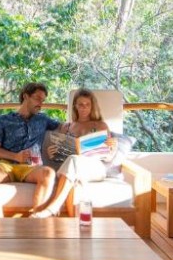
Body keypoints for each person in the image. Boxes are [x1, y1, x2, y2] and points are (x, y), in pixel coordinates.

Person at [31, 88, 118, 218]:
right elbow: (58, 156)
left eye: (87, 104)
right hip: (72, 169)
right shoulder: (67, 127)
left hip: (94, 168)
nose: (84, 108)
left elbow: (108, 157)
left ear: (92, 106)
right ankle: (69, 221)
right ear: (75, 106)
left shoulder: (100, 125)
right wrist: (51, 153)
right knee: (73, 166)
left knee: (74, 160)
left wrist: (113, 147)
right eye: (80, 104)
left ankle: (53, 208)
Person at [0, 82, 60, 218]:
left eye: (43, 100)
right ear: (25, 96)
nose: (40, 104)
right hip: (6, 165)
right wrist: (16, 156)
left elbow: (66, 127)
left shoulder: (43, 119)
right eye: (37, 98)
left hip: (31, 167)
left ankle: (36, 219)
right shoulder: (2, 120)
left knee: (49, 173)